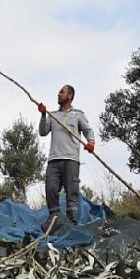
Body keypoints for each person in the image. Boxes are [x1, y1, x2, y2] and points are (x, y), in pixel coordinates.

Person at [38, 85, 95, 231]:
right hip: (54, 159)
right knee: (50, 188)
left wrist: (91, 143)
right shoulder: (53, 115)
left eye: (62, 92)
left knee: (72, 193)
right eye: (58, 92)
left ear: (69, 96)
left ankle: (72, 224)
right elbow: (43, 132)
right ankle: (54, 219)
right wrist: (43, 115)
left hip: (71, 160)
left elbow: (88, 130)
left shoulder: (78, 115)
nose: (58, 94)